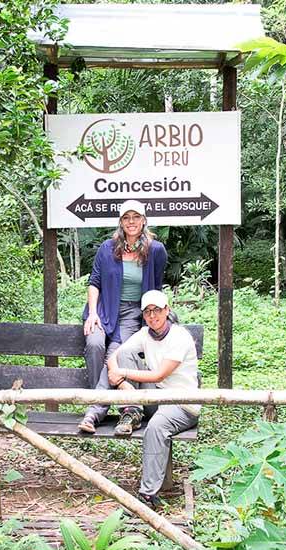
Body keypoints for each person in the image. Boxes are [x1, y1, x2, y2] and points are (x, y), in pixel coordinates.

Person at [83, 290, 200, 509]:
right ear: (143, 315)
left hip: (181, 404)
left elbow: (159, 375)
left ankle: (148, 495)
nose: (152, 316)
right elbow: (115, 356)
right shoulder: (145, 334)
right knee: (123, 354)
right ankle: (132, 411)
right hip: (156, 398)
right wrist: (119, 378)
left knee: (156, 428)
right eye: (147, 312)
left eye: (157, 310)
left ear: (167, 310)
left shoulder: (179, 337)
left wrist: (123, 374)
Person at [78, 199, 167, 433]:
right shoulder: (107, 248)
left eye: (136, 217)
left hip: (132, 313)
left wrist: (152, 317)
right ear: (120, 222)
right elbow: (94, 282)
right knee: (95, 343)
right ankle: (104, 401)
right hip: (103, 308)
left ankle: (94, 411)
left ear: (144, 220)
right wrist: (93, 313)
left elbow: (156, 286)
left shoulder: (155, 250)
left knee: (114, 354)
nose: (131, 222)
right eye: (126, 217)